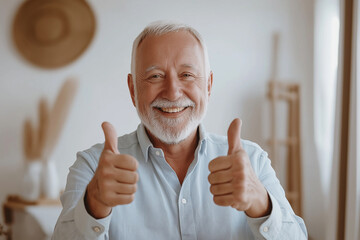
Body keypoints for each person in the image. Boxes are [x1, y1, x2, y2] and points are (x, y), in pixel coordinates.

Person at [53, 21, 307, 239]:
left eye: (186, 75)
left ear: (208, 85)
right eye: (154, 76)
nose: (173, 92)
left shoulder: (253, 162)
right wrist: (94, 206)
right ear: (133, 90)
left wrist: (261, 204)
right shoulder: (92, 167)